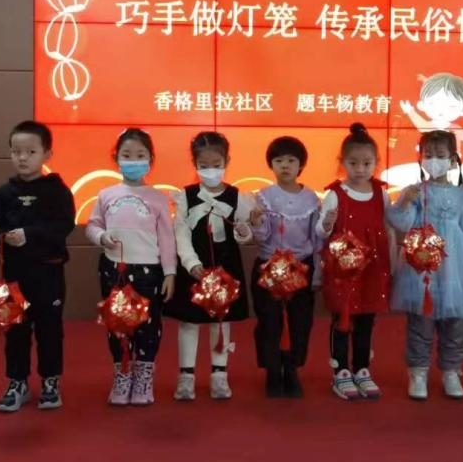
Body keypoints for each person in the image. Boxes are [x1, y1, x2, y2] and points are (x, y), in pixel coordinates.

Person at [0, 121, 75, 413]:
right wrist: (0, 235)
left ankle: (50, 381)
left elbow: (64, 225)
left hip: (48, 274)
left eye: (31, 152)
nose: (23, 158)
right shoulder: (1, 194)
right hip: (13, 275)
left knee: (50, 329)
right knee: (15, 331)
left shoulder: (58, 192)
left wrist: (29, 235)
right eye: (16, 151)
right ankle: (17, 382)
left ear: (47, 154)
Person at [387, 130, 463, 401]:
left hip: (454, 263)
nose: (434, 160)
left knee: (454, 322)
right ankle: (418, 372)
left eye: (440, 155)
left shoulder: (462, 194)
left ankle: (451, 370)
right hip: (422, 266)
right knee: (421, 320)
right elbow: (400, 222)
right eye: (428, 155)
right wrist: (405, 200)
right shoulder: (416, 191)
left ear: (453, 160)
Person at [85, 127, 176, 406]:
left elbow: (166, 238)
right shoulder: (106, 194)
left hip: (149, 271)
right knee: (117, 323)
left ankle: (144, 375)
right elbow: (92, 225)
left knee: (149, 325)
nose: (133, 160)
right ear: (116, 158)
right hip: (114, 269)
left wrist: (170, 272)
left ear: (150, 160)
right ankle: (122, 373)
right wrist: (102, 237)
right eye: (126, 155)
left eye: (140, 155)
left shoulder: (158, 197)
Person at [167, 131, 255, 402]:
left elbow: (244, 233)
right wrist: (191, 264)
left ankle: (219, 375)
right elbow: (181, 233)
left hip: (226, 267)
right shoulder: (186, 196)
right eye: (203, 165)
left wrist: (243, 231)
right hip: (194, 267)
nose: (210, 170)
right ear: (194, 164)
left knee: (221, 319)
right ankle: (186, 376)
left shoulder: (237, 196)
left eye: (216, 164)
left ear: (226, 161)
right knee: (189, 322)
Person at [319, 123, 392, 400]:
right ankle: (340, 372)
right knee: (343, 318)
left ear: (376, 162)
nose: (360, 169)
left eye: (367, 163)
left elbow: (390, 223)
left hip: (372, 267)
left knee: (366, 319)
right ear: (342, 163)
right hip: (344, 270)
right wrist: (327, 223)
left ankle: (362, 368)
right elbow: (320, 232)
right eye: (353, 163)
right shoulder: (335, 194)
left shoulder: (380, 192)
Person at [250, 135, 321, 398]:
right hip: (269, 267)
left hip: (301, 267)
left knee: (300, 322)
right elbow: (262, 237)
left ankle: (292, 369)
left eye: (291, 160)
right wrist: (257, 221)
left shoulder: (312, 198)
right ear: (271, 165)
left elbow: (316, 237)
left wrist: (317, 272)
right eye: (279, 161)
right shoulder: (263, 196)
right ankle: (272, 370)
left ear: (301, 165)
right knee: (270, 321)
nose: (285, 166)